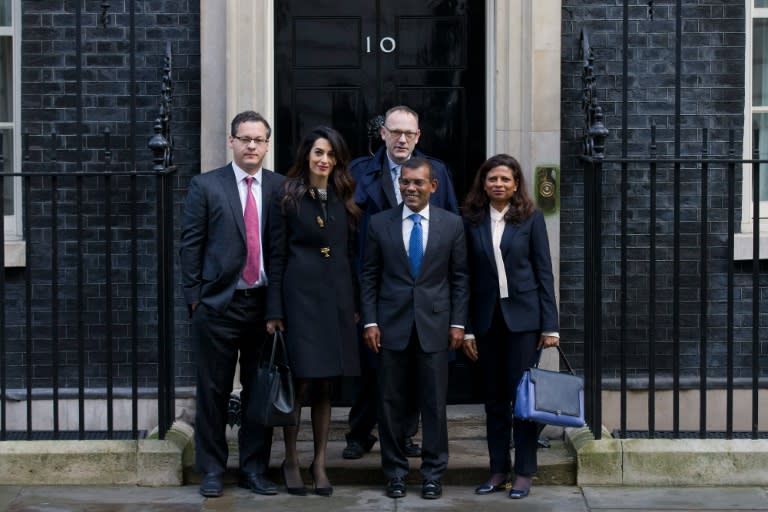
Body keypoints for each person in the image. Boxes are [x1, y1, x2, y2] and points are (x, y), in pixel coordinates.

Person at [179, 111, 285, 498]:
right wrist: (195, 300)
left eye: (258, 139)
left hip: (264, 308)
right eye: (245, 139)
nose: (252, 146)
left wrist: (278, 310)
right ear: (232, 141)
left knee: (260, 393)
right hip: (218, 306)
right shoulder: (206, 186)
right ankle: (212, 470)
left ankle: (254, 470)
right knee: (213, 391)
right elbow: (190, 245)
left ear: (267, 144)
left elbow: (282, 252)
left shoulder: (280, 187)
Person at [344, 105, 459, 460]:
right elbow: (344, 234)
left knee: (412, 367)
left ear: (419, 136)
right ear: (383, 134)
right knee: (372, 366)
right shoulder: (359, 173)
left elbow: (450, 228)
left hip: (420, 286)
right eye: (395, 131)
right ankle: (360, 433)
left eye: (409, 132)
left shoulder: (436, 172)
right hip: (372, 283)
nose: (402, 138)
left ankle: (406, 434)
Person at [360, 157, 469, 500]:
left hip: (435, 327)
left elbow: (460, 278)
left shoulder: (452, 225)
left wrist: (458, 324)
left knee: (434, 404)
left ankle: (433, 474)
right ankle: (394, 473)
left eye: (418, 183)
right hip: (390, 326)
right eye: (405, 182)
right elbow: (368, 276)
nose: (410, 188)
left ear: (432, 187)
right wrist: (371, 320)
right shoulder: (379, 224)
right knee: (391, 402)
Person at [265, 126, 361, 497]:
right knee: (299, 382)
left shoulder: (342, 195)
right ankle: (290, 458)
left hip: (335, 300)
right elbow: (276, 255)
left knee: (326, 384)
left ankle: (319, 462)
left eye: (331, 155)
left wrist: (352, 305)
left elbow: (350, 255)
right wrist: (274, 309)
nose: (324, 160)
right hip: (298, 299)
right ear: (307, 155)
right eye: (319, 152)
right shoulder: (286, 196)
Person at [461, 154, 560, 500]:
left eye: (505, 179)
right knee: (494, 402)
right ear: (483, 184)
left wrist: (551, 325)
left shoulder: (531, 220)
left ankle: (524, 472)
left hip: (524, 322)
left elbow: (544, 272)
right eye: (492, 179)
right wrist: (468, 328)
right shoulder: (470, 220)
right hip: (487, 322)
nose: (499, 184)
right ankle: (498, 469)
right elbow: (466, 279)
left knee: (523, 400)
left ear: (516, 184)